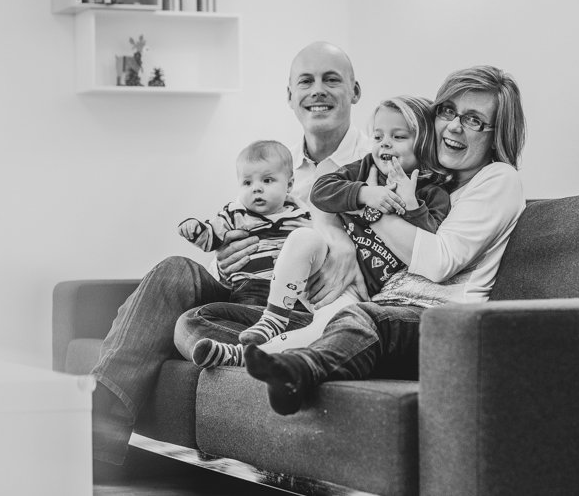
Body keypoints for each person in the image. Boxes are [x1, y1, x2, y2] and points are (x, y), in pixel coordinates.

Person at [175, 65, 527, 416]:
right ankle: (261, 350)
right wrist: (350, 214)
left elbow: (438, 262)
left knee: (356, 318)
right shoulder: (423, 178)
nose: (454, 126)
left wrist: (368, 207)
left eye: (474, 120)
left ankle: (294, 367)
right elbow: (325, 194)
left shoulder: (497, 178)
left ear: (497, 133)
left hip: (427, 318)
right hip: (370, 304)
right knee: (200, 318)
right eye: (448, 111)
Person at [91, 41, 369, 467]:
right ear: (290, 95)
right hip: (244, 294)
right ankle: (99, 425)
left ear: (355, 91)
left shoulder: (377, 165)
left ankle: (270, 349)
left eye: (332, 79)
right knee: (173, 271)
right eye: (306, 81)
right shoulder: (273, 167)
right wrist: (224, 261)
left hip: (304, 309)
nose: (318, 90)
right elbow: (229, 235)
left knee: (187, 325)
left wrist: (342, 246)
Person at [191, 96, 451, 368]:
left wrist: (410, 204)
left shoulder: (434, 194)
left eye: (398, 137)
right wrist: (365, 193)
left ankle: (243, 356)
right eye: (377, 136)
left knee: (326, 329)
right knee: (303, 237)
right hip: (320, 265)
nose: (384, 143)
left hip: (355, 292)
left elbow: (426, 246)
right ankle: (273, 318)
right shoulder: (366, 168)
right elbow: (322, 190)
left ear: (424, 144)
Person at [178, 140, 311, 307]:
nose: (256, 188)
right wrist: (196, 229)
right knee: (248, 308)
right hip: (251, 285)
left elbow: (318, 249)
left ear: (289, 185)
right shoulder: (235, 214)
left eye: (267, 180)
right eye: (247, 183)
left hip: (294, 289)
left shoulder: (301, 214)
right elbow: (211, 237)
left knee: (302, 306)